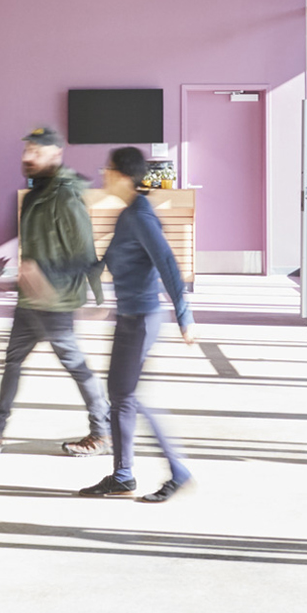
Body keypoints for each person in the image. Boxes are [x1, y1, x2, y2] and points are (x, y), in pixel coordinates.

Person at [0, 125, 111, 454]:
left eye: (36, 151)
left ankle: (102, 432)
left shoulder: (65, 195)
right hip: (31, 298)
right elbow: (39, 249)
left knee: (76, 365)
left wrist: (87, 294)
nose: (28, 157)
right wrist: (20, 274)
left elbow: (84, 255)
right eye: (26, 150)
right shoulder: (37, 192)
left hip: (55, 301)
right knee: (13, 360)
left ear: (56, 154)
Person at [76, 145, 197, 503]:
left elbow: (167, 263)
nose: (103, 174)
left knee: (126, 397)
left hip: (141, 319)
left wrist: (184, 316)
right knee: (123, 397)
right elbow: (104, 264)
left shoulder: (139, 216)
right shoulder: (129, 213)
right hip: (130, 316)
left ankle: (175, 470)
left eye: (107, 169)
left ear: (122, 175)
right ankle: (124, 475)